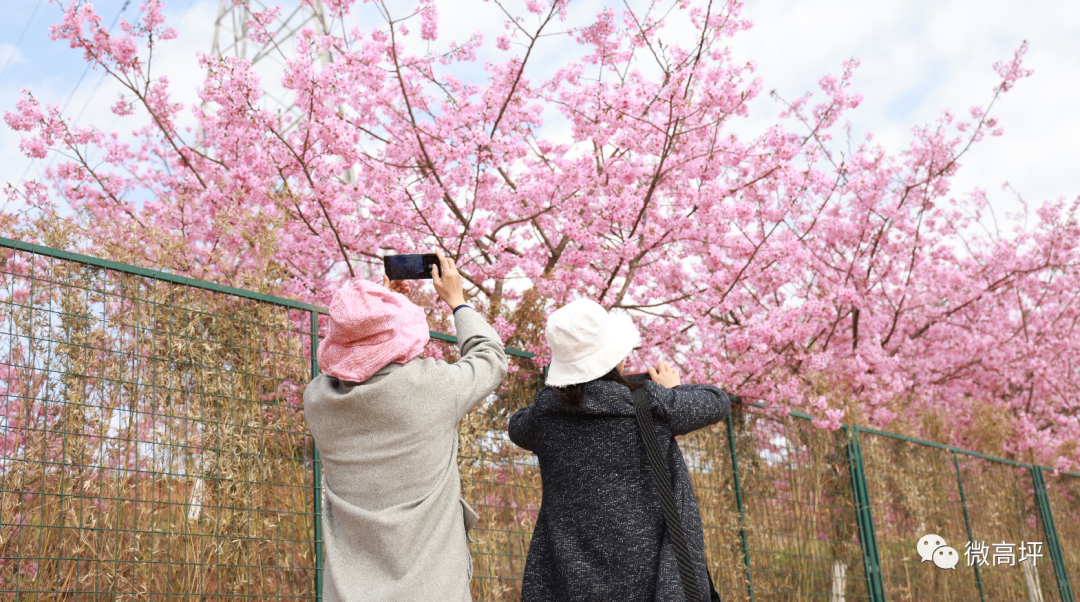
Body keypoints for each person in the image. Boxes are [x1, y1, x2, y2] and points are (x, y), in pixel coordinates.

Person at [304, 250, 508, 601]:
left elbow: (356, 362)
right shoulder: (432, 387)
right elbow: (491, 357)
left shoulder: (318, 400)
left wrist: (373, 313)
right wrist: (457, 301)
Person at [508, 298, 730, 602]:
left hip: (568, 582)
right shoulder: (653, 407)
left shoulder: (544, 418)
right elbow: (717, 401)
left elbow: (517, 424)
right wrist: (672, 391)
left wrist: (558, 395)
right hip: (652, 579)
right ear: (616, 356)